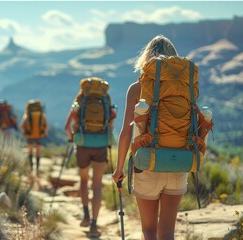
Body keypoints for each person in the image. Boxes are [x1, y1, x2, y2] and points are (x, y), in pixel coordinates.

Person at [112, 35, 187, 240]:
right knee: (167, 232)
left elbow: (126, 132)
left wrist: (119, 170)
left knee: (150, 231)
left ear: (146, 58)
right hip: (179, 163)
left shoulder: (137, 88)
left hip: (147, 164)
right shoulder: (184, 88)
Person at [64, 77, 116, 238]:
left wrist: (72, 138)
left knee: (84, 181)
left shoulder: (80, 100)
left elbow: (68, 127)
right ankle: (94, 223)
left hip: (83, 145)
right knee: (97, 184)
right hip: (100, 145)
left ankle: (85, 215)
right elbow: (111, 124)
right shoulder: (105, 100)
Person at [20, 99, 49, 175]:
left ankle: (31, 167)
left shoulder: (26, 115)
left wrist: (25, 132)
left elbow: (21, 126)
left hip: (29, 136)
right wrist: (45, 133)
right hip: (39, 136)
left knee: (30, 152)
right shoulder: (41, 115)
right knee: (38, 152)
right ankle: (37, 169)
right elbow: (46, 126)